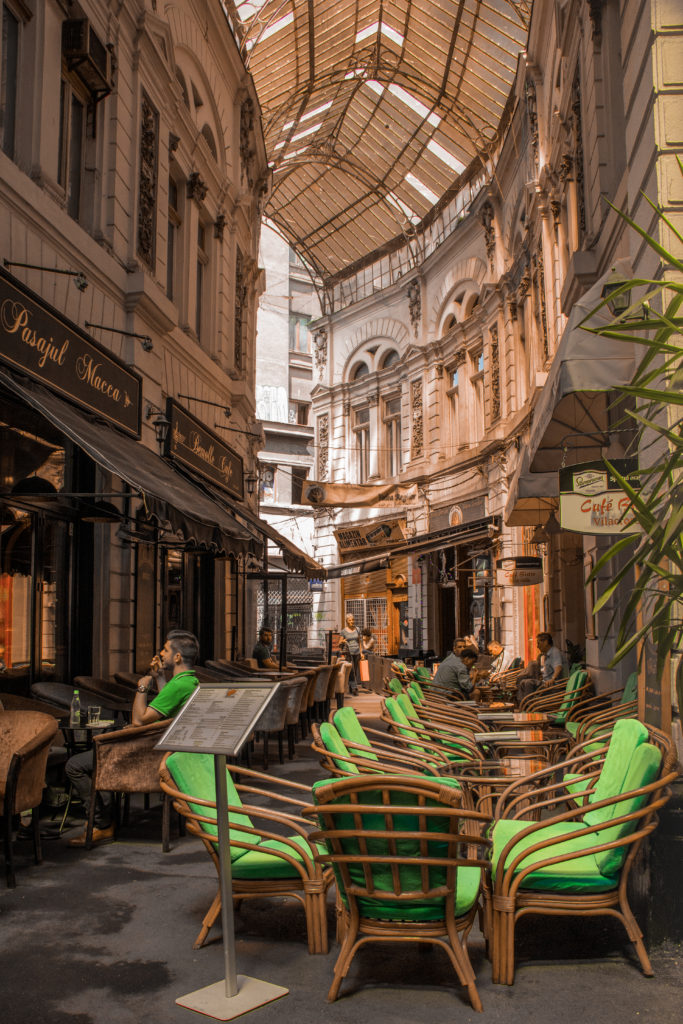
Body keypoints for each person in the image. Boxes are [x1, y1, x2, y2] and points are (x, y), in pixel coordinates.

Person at [66, 629, 200, 847]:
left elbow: (140, 720)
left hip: (144, 754)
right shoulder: (190, 682)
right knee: (103, 752)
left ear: (177, 657)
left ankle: (102, 823)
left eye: (165, 649)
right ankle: (107, 815)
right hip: (158, 748)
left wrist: (141, 687)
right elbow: (167, 708)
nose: (161, 653)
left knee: (74, 765)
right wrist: (158, 677)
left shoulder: (180, 685)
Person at [516, 632, 564, 703]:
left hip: (553, 686)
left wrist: (553, 678)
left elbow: (558, 667)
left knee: (528, 683)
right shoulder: (546, 655)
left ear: (546, 642)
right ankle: (522, 704)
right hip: (544, 683)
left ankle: (529, 706)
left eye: (538, 643)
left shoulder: (554, 652)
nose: (537, 646)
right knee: (523, 681)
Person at [340, 613, 361, 695]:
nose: (352, 621)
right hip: (348, 653)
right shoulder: (344, 631)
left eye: (353, 619)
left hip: (357, 652)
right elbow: (339, 642)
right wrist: (343, 641)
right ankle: (354, 688)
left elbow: (359, 641)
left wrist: (361, 652)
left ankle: (351, 686)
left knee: (355, 671)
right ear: (347, 621)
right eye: (350, 620)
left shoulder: (357, 629)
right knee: (351, 670)